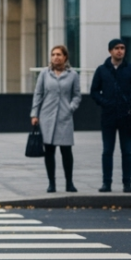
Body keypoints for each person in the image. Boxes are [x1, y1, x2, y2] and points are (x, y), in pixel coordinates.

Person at [90, 38, 131, 193]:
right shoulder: (102, 70)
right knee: (107, 151)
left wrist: (130, 102)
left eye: (122, 48)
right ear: (110, 51)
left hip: (126, 116)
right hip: (108, 116)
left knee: (127, 151)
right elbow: (94, 91)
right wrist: (105, 102)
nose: (120, 51)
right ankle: (107, 183)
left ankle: (127, 184)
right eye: (116, 48)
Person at [31, 45, 82, 193]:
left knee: (66, 151)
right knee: (49, 151)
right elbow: (38, 94)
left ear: (65, 57)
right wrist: (35, 114)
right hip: (46, 117)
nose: (56, 57)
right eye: (53, 54)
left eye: (59, 54)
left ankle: (69, 183)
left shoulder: (72, 74)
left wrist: (70, 107)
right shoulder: (44, 74)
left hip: (64, 118)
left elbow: (77, 95)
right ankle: (51, 183)